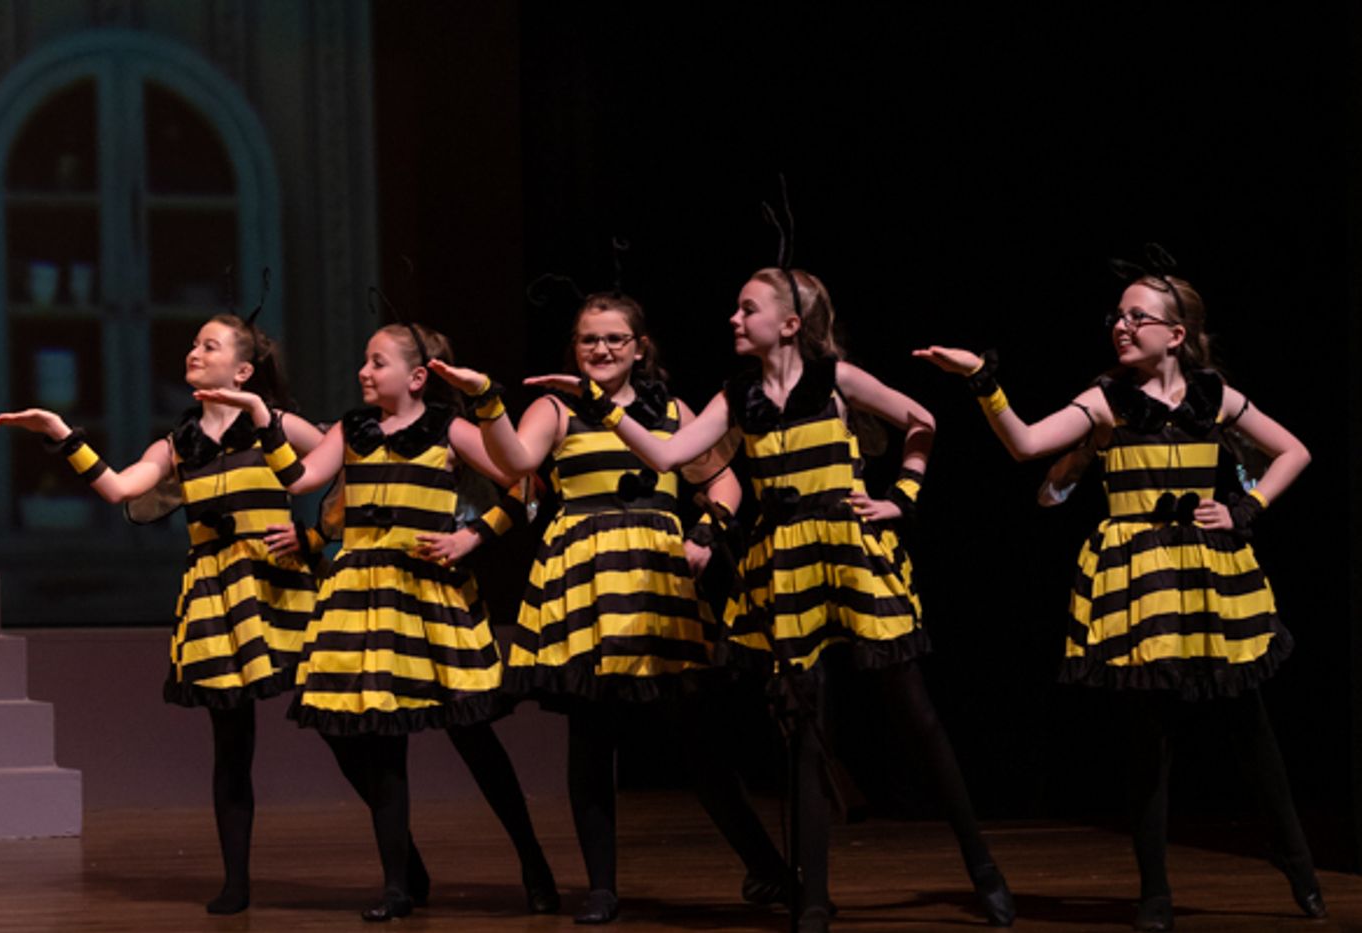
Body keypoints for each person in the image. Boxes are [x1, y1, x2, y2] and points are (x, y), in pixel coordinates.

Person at [528, 271, 1014, 933]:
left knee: (916, 716)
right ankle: (811, 897)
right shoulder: (736, 395)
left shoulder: (837, 378)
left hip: (850, 553)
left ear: (789, 324)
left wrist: (904, 496)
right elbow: (671, 454)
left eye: (746, 308)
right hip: (785, 564)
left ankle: (983, 867)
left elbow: (921, 420)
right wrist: (603, 406)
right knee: (804, 733)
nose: (733, 317)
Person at [916, 256, 1326, 930]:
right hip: (1140, 580)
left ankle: (1295, 857)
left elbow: (1293, 451)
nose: (1123, 326)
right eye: (1118, 316)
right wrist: (980, 379)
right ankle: (1154, 889)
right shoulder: (1105, 397)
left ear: (1177, 333)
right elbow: (1025, 444)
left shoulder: (1214, 396)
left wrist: (1246, 505)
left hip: (1211, 575)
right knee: (1150, 736)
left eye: (1139, 316)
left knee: (1250, 723)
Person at [430, 291, 791, 925]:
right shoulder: (556, 406)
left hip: (658, 580)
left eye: (614, 339)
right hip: (586, 580)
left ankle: (766, 867)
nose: (600, 350)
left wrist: (709, 530)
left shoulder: (671, 408)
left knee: (697, 735)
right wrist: (488, 400)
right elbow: (515, 463)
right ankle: (601, 887)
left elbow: (721, 476)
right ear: (574, 348)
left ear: (639, 347)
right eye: (589, 340)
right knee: (592, 735)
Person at [196, 321, 557, 922]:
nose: (364, 372)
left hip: (427, 600)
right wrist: (264, 416)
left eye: (377, 362)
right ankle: (398, 883)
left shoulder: (450, 429)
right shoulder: (351, 429)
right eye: (364, 361)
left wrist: (471, 536)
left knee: (474, 739)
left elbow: (526, 485)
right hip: (360, 597)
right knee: (374, 741)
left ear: (416, 377)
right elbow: (302, 480)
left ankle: (535, 866)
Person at [0, 312, 323, 914]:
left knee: (339, 725)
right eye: (194, 344)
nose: (194, 352)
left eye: (210, 345)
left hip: (282, 593)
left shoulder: (275, 425)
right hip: (219, 600)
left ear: (243, 369)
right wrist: (63, 433)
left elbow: (352, 461)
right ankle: (237, 882)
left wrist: (318, 537)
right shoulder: (179, 443)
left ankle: (402, 867)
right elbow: (123, 490)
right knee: (231, 746)